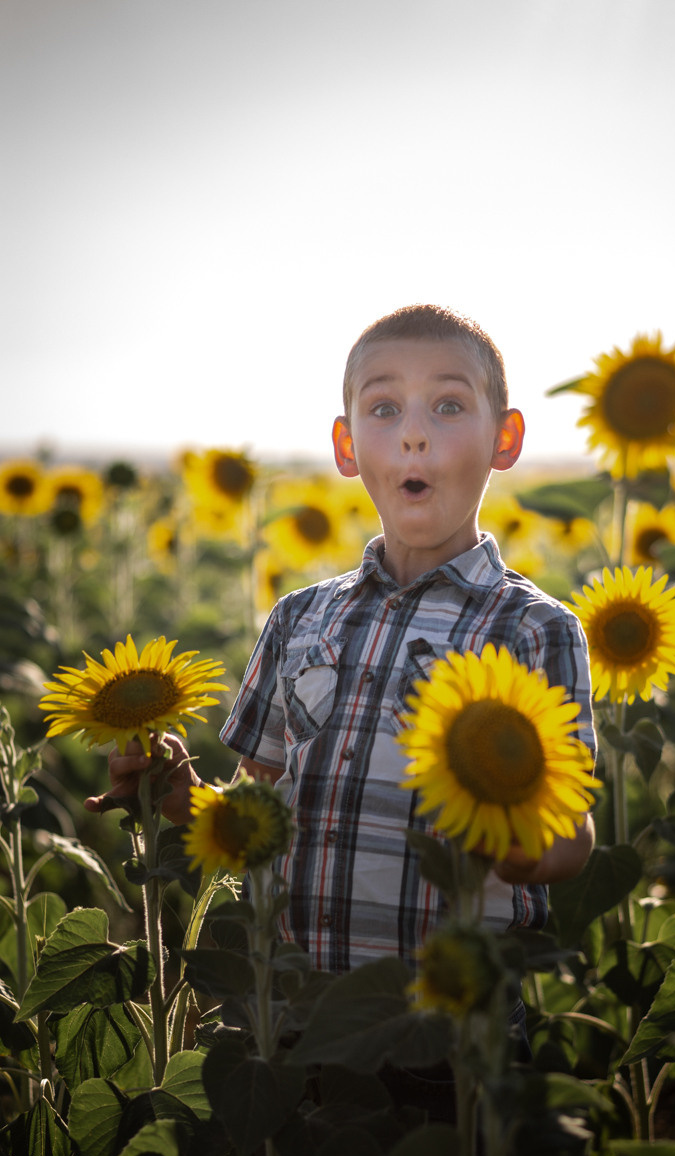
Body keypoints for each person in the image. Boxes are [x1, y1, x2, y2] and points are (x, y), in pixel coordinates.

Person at [88, 303, 596, 977]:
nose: (414, 435)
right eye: (385, 410)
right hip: (293, 1017)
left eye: (447, 406)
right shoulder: (300, 619)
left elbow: (574, 824)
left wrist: (530, 850)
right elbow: (254, 806)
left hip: (449, 1034)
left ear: (505, 439)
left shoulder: (534, 629)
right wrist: (178, 792)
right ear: (347, 447)